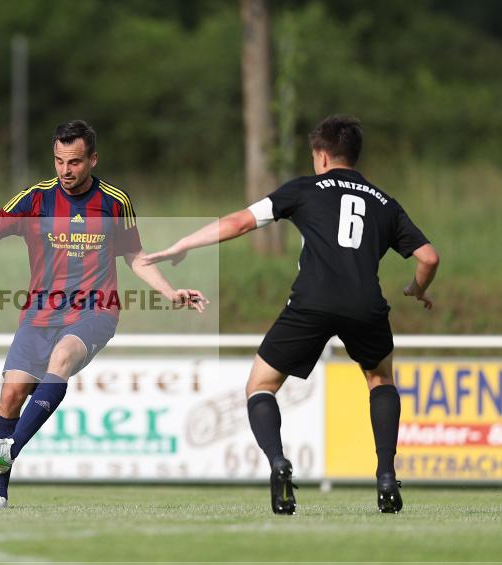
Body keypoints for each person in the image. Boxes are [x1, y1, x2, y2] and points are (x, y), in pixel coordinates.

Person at [143, 115, 439, 515]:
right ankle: (386, 475)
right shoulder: (384, 201)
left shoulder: (305, 189)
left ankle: (278, 463)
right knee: (380, 378)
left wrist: (183, 245)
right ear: (354, 156)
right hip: (365, 304)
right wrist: (417, 289)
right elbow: (428, 257)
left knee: (261, 385)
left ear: (320, 155)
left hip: (311, 302)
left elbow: (240, 223)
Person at [0, 120, 206, 509]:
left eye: (75, 162)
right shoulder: (36, 199)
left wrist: (169, 292)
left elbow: (135, 255)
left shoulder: (115, 202)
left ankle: (9, 449)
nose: (66, 171)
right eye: (59, 161)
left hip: (95, 310)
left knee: (62, 357)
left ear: (93, 159)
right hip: (40, 313)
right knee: (11, 395)